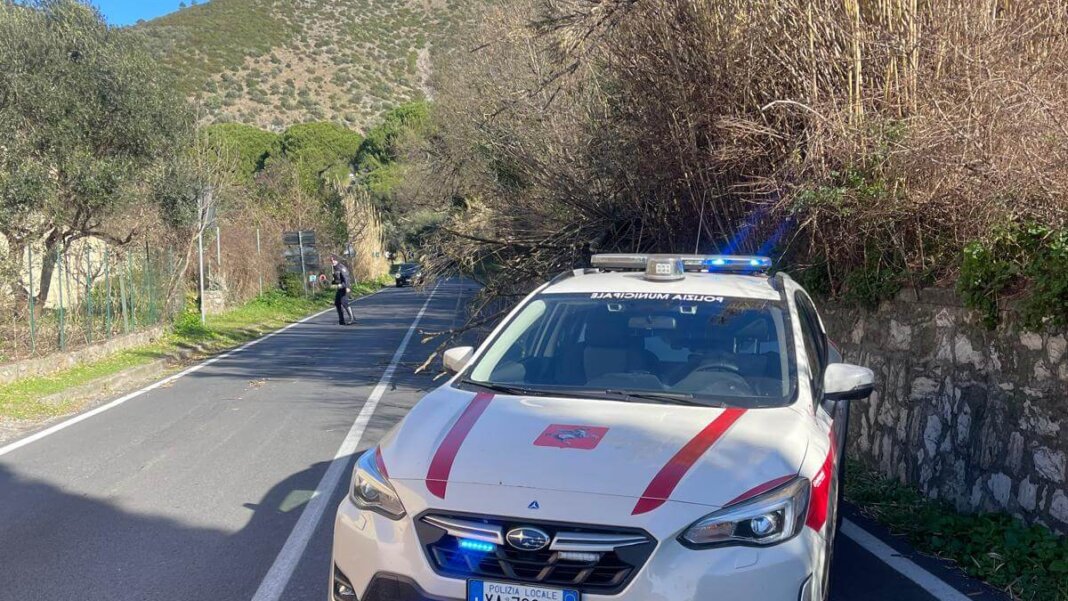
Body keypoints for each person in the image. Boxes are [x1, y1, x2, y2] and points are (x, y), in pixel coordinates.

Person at [330, 255, 355, 326]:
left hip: (345, 288)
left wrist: (346, 287)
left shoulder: (341, 267)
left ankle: (352, 319)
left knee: (344, 302)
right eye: (331, 260)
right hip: (339, 288)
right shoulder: (334, 268)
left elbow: (346, 279)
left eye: (333, 260)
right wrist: (332, 283)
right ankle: (341, 320)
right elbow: (336, 279)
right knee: (337, 303)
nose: (332, 262)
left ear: (336, 260)